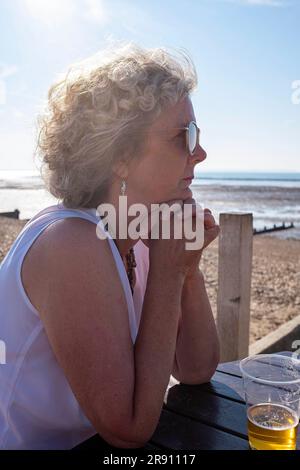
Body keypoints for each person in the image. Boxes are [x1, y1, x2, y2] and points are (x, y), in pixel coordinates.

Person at [0, 41, 220, 450]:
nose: (201, 152)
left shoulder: (137, 232)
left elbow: (196, 367)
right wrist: (169, 273)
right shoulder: (69, 245)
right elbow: (128, 428)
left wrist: (186, 268)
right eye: (184, 136)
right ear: (120, 155)